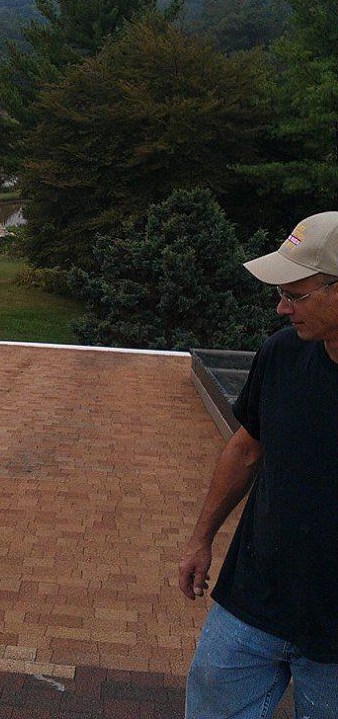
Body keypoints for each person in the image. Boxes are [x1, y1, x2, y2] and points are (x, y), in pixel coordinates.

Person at [180, 211, 338, 719]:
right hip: (254, 596)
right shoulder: (282, 355)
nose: (281, 308)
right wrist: (202, 537)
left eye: (296, 295)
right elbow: (247, 448)